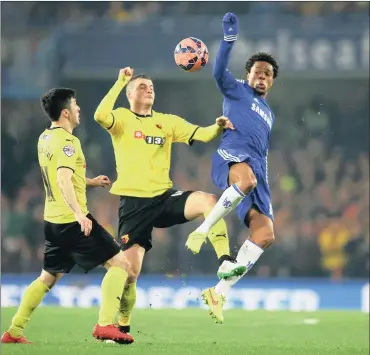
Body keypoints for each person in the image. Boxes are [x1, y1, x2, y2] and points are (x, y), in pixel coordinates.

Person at [94, 68, 247, 338]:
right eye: (142, 87)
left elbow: (202, 134)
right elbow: (99, 115)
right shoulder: (121, 119)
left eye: (151, 86)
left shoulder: (167, 122)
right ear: (130, 93)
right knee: (130, 274)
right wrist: (120, 80)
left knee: (209, 200)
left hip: (164, 198)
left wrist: (218, 126)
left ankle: (224, 259)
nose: (149, 89)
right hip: (134, 205)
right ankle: (122, 323)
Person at [1, 88, 134, 344]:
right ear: (65, 112)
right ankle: (105, 324)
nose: (79, 109)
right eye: (75, 105)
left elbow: (61, 175)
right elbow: (62, 179)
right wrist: (78, 214)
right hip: (72, 220)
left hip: (52, 221)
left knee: (47, 278)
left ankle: (14, 331)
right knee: (121, 266)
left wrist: (90, 182)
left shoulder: (45, 138)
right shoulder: (68, 142)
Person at [186, 12, 280, 323]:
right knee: (247, 180)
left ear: (272, 81)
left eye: (267, 74)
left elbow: (260, 148)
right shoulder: (237, 89)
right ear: (248, 74)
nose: (262, 77)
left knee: (265, 234)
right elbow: (216, 73)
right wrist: (228, 40)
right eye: (258, 72)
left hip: (256, 171)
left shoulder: (269, 113)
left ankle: (218, 293)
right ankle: (203, 229)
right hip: (231, 158)